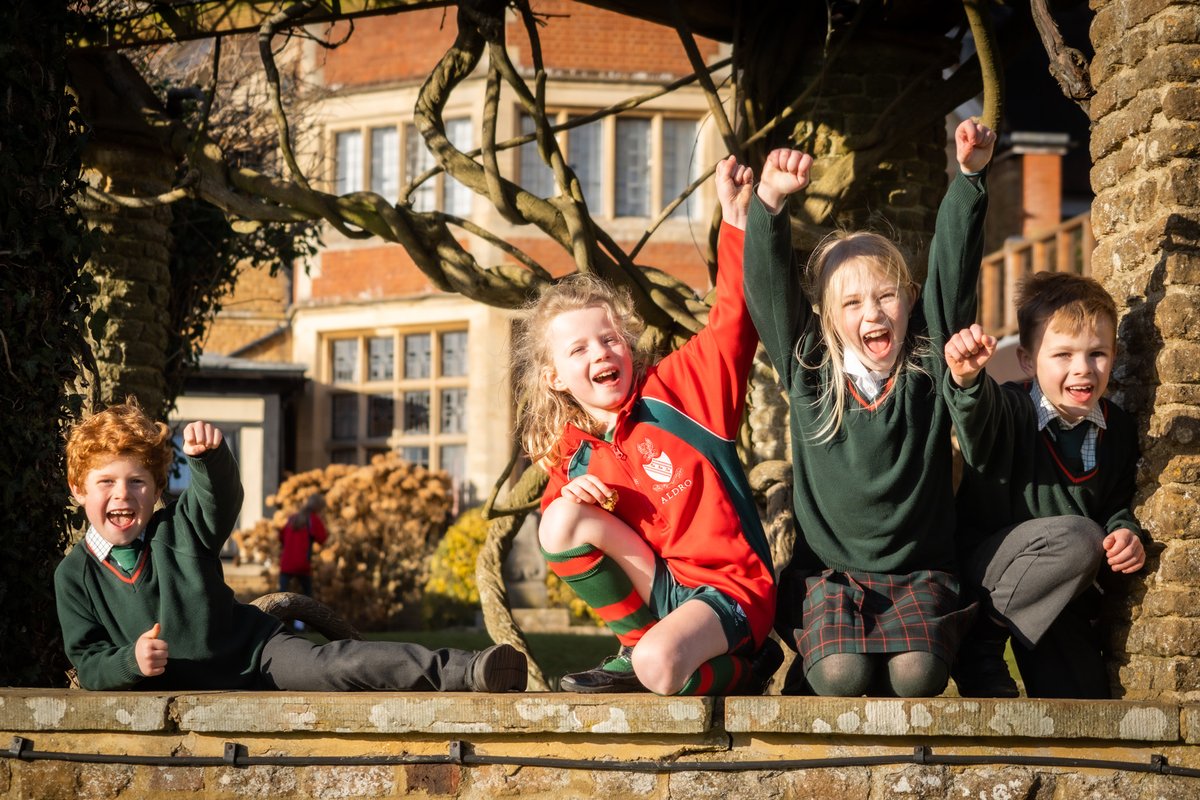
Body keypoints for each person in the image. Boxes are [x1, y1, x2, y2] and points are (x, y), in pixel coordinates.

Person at [743, 119, 996, 697]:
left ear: (908, 300)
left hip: (917, 573)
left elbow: (953, 273)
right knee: (842, 675)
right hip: (829, 576)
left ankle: (899, 657)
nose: (872, 314)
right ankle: (827, 662)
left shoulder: (927, 367)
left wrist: (969, 178)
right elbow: (767, 286)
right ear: (829, 317)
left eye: (885, 296)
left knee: (919, 678)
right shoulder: (810, 370)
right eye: (852, 302)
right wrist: (771, 203)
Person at [513, 155, 781, 696]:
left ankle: (739, 662)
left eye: (610, 339)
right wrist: (574, 496)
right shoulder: (575, 453)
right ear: (556, 377)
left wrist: (736, 219)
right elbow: (562, 537)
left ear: (627, 344)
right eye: (579, 349)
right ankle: (643, 648)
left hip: (730, 590)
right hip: (664, 591)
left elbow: (733, 316)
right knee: (559, 519)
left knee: (658, 668)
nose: (601, 353)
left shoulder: (684, 390)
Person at [55, 399, 527, 693]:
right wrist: (130, 662)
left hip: (256, 654)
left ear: (157, 490)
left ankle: (471, 671)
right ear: (78, 489)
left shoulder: (177, 530)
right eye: (106, 482)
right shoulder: (74, 576)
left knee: (340, 666)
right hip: (179, 683)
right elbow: (89, 660)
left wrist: (211, 459)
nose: (122, 494)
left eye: (138, 481)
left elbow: (219, 502)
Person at [943, 272, 1146, 698]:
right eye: (1063, 355)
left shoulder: (1119, 429)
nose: (1082, 369)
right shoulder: (1011, 410)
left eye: (1097, 353)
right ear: (1026, 360)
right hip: (988, 575)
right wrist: (966, 381)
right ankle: (979, 643)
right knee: (1080, 536)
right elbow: (976, 418)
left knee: (1085, 698)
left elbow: (1114, 504)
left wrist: (1126, 531)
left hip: (1060, 592)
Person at [278, 492, 328, 600]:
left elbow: (281, 536)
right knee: (308, 599)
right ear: (318, 508)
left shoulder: (292, 518)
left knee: (280, 598)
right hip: (302, 565)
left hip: (286, 563)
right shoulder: (313, 520)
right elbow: (323, 538)